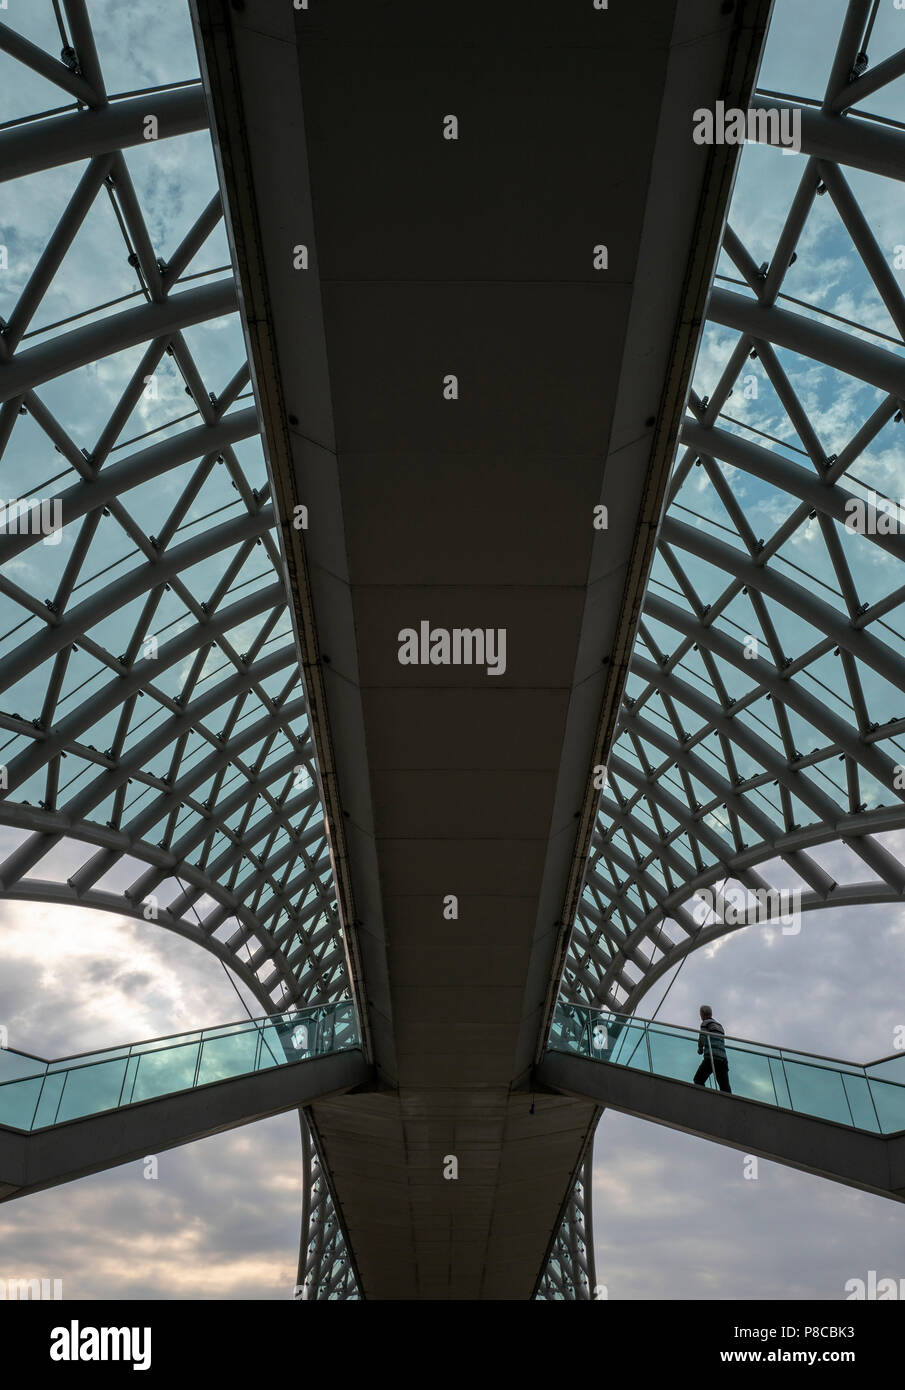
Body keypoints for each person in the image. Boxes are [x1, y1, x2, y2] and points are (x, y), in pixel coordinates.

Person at [693, 1005, 732, 1092]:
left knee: (698, 1079)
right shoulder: (720, 1026)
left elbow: (702, 1039)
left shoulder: (705, 1023)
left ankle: (704, 1099)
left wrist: (700, 1049)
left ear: (703, 1014)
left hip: (711, 1057)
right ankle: (728, 1104)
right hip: (722, 1059)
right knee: (725, 1087)